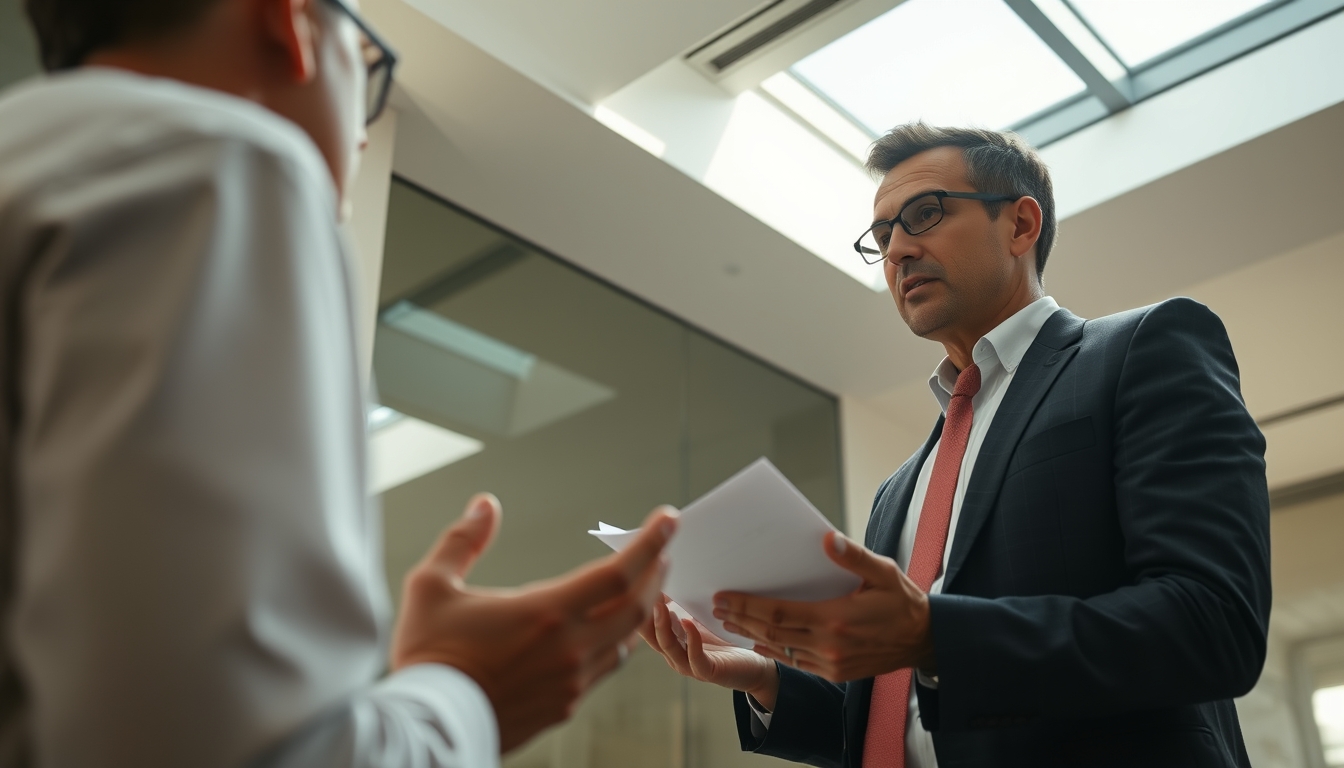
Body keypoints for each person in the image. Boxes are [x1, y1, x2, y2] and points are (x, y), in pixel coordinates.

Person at [0, 0, 677, 766]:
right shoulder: (229, 162)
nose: (360, 129)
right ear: (288, 21)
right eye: (364, 59)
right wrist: (470, 691)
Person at [640, 124, 1271, 767]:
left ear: (1021, 225)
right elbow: (900, 717)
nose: (897, 251)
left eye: (925, 214)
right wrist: (765, 678)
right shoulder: (898, 490)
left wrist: (934, 635)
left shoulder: (1143, 349)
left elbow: (1213, 622)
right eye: (882, 236)